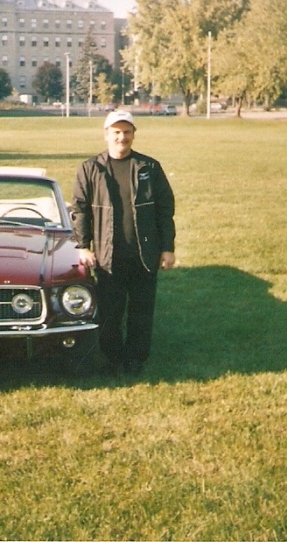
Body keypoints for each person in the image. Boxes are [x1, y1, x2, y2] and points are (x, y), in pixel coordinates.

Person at [71, 109, 176, 376]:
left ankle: (136, 359)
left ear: (133, 134)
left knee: (141, 313)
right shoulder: (90, 168)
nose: (122, 137)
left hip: (144, 255)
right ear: (106, 135)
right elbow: (80, 210)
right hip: (108, 257)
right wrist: (83, 246)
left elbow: (165, 209)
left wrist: (167, 248)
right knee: (110, 313)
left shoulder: (149, 167)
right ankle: (113, 359)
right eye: (116, 132)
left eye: (127, 132)